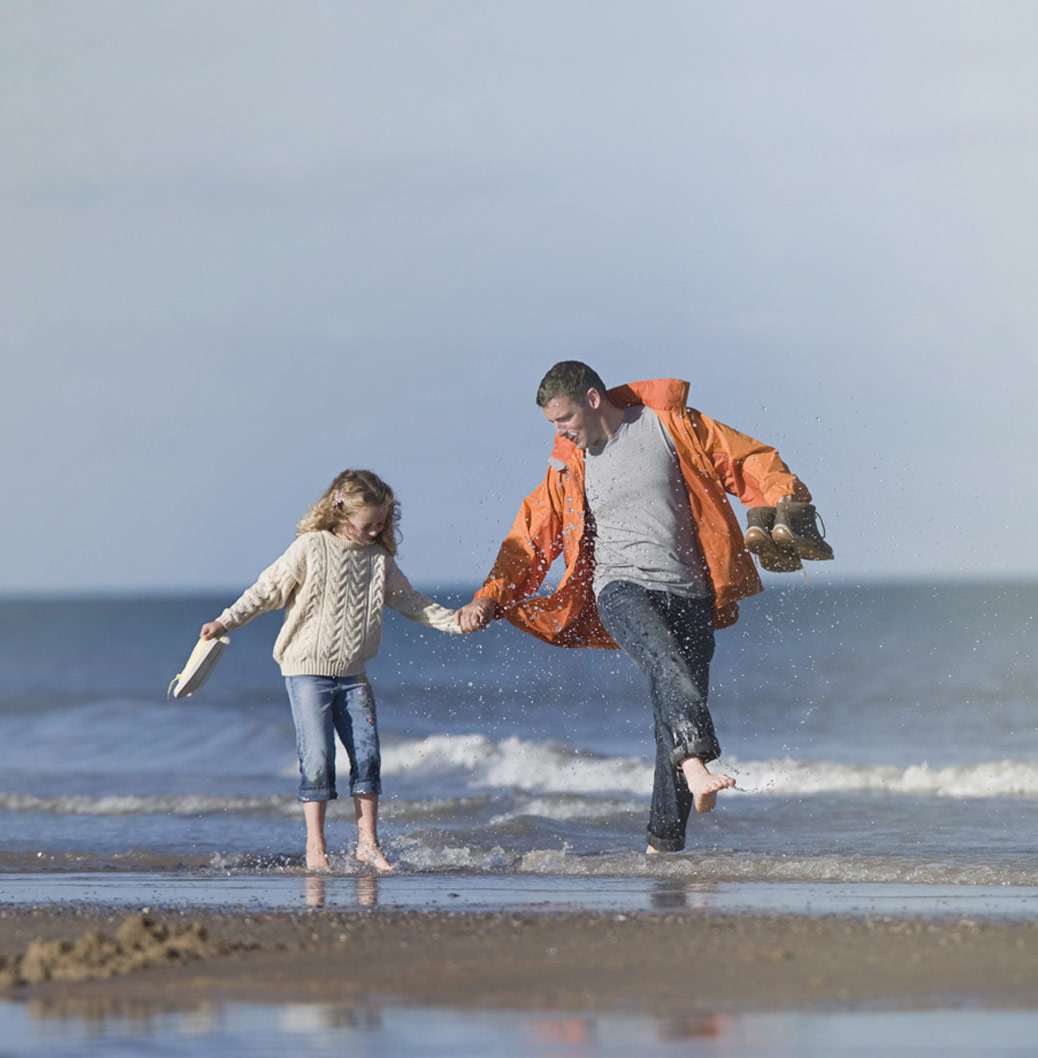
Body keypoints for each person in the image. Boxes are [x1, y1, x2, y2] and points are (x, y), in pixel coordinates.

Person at [457, 362, 832, 854]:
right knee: (664, 664)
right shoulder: (570, 463)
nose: (559, 430)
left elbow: (746, 461)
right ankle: (697, 766)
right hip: (621, 589)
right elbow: (531, 533)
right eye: (552, 423)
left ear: (593, 400)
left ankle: (662, 848)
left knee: (670, 714)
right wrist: (491, 593)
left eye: (564, 417)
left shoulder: (671, 425)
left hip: (693, 593)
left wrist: (783, 499)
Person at [200, 469, 464, 872]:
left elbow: (412, 602)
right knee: (319, 757)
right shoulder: (310, 547)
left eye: (382, 524)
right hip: (306, 670)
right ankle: (316, 848)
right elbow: (265, 591)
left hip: (353, 674)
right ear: (342, 512)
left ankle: (367, 846)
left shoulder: (380, 561)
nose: (375, 532)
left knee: (368, 756)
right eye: (368, 524)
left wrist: (455, 621)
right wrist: (224, 622)